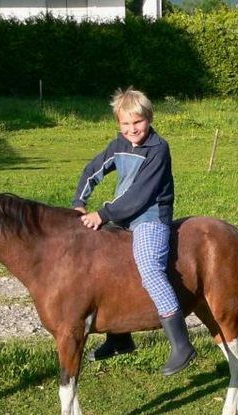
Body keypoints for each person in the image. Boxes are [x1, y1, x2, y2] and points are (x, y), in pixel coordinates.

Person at [72, 87, 196, 376]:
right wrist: (79, 201)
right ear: (118, 124)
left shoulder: (158, 148)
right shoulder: (119, 144)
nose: (131, 130)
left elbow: (140, 196)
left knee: (149, 268)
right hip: (122, 217)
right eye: (125, 124)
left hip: (150, 217)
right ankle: (119, 337)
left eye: (137, 122)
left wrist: (102, 215)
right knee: (108, 266)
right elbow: (93, 169)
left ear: (149, 119)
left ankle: (181, 343)